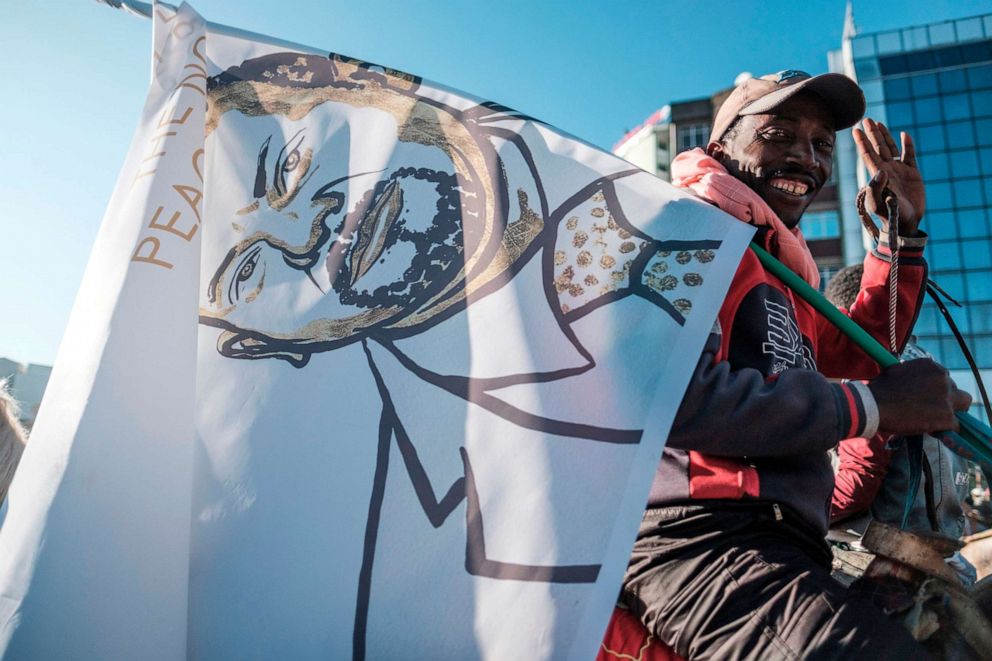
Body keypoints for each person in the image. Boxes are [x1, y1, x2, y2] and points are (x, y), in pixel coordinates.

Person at [619, 70, 973, 658]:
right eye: (780, 133)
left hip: (786, 540)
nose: (804, 157)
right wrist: (874, 406)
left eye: (820, 145)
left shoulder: (780, 265)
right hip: (699, 540)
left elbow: (861, 350)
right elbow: (671, 398)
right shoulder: (684, 228)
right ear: (720, 147)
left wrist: (901, 235)